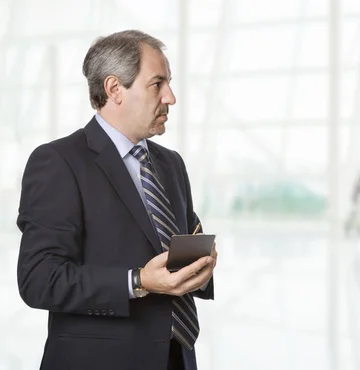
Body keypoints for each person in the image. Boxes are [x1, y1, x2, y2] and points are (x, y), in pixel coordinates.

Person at [16, 30, 217, 370]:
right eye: (157, 84)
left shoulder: (171, 164)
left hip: (176, 357)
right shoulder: (59, 162)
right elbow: (39, 279)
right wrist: (137, 281)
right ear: (114, 89)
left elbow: (176, 252)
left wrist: (201, 269)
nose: (170, 97)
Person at [345, 171, 360, 236]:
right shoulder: (359, 183)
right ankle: (348, 226)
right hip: (355, 202)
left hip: (355, 201)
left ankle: (355, 227)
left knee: (354, 214)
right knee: (354, 214)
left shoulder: (358, 183)